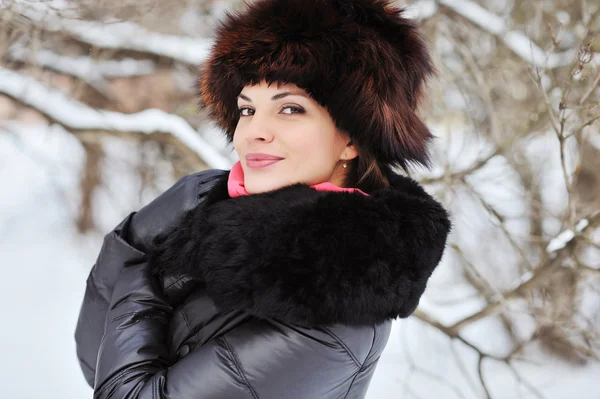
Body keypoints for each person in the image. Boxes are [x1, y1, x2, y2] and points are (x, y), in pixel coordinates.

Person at [74, 0, 452, 398]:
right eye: (246, 109)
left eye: (290, 108)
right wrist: (136, 236)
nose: (254, 131)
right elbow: (93, 362)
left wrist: (142, 261)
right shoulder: (222, 223)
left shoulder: (331, 311)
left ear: (352, 138)